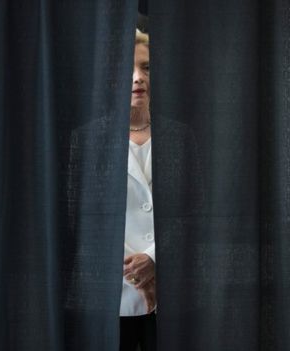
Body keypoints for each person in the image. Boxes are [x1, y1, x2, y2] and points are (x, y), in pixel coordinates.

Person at [119, 29, 157, 351]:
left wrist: (155, 259)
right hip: (114, 297)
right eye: (128, 68)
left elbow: (197, 212)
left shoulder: (181, 136)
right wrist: (136, 273)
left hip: (173, 290)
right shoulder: (90, 139)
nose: (137, 78)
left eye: (146, 68)